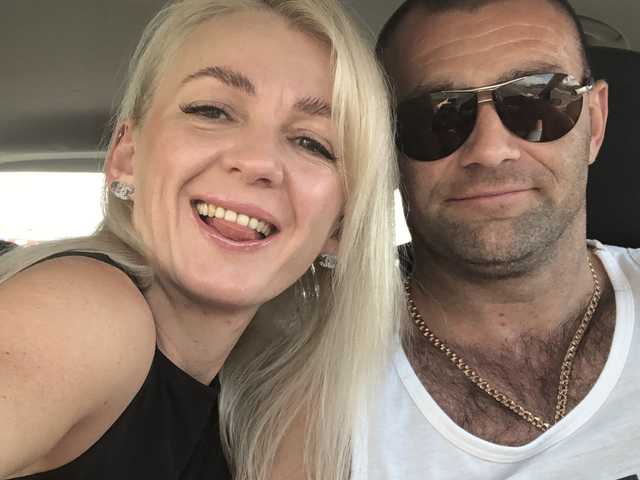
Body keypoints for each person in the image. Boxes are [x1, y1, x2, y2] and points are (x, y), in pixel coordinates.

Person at [0, 1, 402, 479]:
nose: (258, 162)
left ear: (338, 226)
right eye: (212, 111)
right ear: (127, 156)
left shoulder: (269, 399)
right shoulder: (87, 311)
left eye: (312, 143)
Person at [352, 0, 640, 478]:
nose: (489, 150)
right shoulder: (316, 381)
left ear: (595, 122)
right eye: (438, 115)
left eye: (536, 100)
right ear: (388, 149)